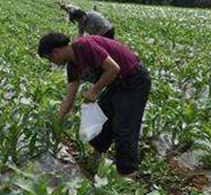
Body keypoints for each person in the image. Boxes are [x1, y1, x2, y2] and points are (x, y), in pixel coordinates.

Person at [37, 32, 151, 176]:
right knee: (102, 120)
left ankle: (127, 176)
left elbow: (113, 68)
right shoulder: (72, 66)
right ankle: (95, 162)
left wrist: (94, 91)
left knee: (124, 128)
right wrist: (57, 122)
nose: (51, 63)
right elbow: (69, 99)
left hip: (134, 81)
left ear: (55, 52)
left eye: (49, 59)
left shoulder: (84, 46)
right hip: (116, 84)